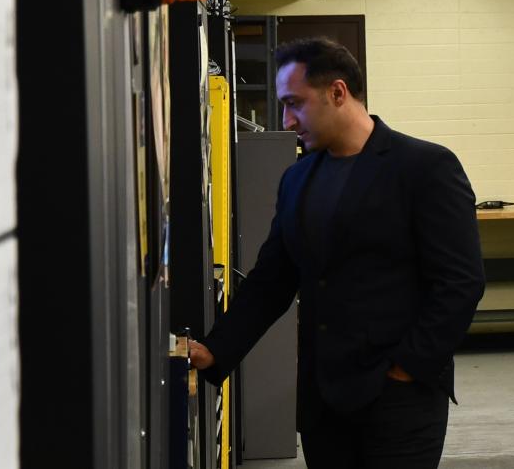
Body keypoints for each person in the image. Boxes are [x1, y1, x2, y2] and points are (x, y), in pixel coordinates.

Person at [184, 38, 486, 467]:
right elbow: (273, 280)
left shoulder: (424, 167)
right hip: (323, 402)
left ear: (338, 93)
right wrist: (218, 349)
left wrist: (406, 368)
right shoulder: (298, 177)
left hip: (399, 401)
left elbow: (461, 281)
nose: (287, 121)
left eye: (295, 104)